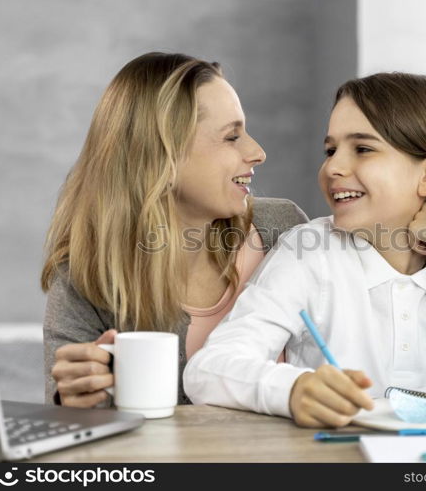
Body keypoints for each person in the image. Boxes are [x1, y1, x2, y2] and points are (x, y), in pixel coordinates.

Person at [184, 72, 426, 428]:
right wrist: (293, 389)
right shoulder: (311, 253)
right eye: (331, 150)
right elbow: (208, 369)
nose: (333, 167)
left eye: (363, 149)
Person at [42, 52, 308, 408]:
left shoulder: (284, 229)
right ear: (162, 156)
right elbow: (71, 436)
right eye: (232, 137)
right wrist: (75, 401)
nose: (257, 152)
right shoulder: (85, 281)